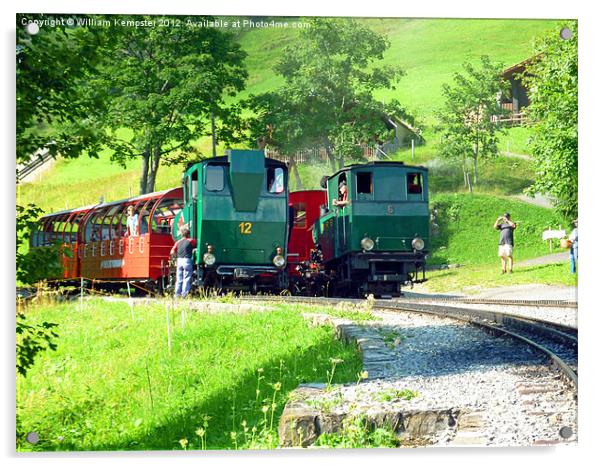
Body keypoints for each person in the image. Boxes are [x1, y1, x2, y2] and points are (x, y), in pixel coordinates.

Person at [170, 225, 197, 298]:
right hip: (187, 260)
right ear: (188, 234)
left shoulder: (178, 242)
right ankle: (184, 294)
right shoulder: (191, 240)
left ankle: (177, 294)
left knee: (179, 279)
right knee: (187, 278)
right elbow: (196, 246)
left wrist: (175, 257)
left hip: (179, 260)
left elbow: (172, 252)